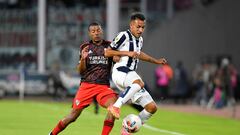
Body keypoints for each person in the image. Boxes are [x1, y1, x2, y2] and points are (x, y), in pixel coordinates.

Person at [48, 22, 138, 135]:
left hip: (103, 86)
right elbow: (80, 71)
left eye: (98, 30)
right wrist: (83, 60)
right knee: (72, 116)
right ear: (89, 33)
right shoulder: (85, 47)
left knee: (114, 107)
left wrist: (117, 57)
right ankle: (52, 134)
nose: (96, 33)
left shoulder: (110, 46)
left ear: (102, 31)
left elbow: (117, 57)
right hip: (86, 85)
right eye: (93, 31)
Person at [105, 12, 167, 134]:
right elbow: (107, 52)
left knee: (152, 107)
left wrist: (156, 61)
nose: (140, 30)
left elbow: (139, 54)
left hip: (131, 78)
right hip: (120, 71)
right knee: (139, 82)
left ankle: (127, 129)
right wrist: (126, 53)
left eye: (143, 27)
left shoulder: (140, 40)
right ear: (131, 25)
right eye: (138, 26)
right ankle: (116, 106)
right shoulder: (124, 35)